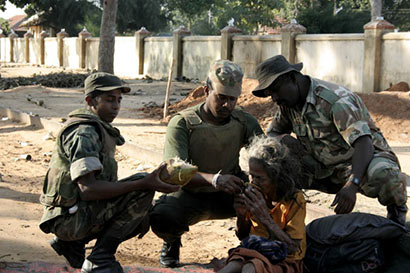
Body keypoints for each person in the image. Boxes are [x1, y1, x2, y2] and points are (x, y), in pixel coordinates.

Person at [39, 72, 180, 273]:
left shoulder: (98, 128)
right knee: (141, 189)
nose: (116, 106)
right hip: (67, 220)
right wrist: (144, 184)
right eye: (109, 100)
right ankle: (100, 258)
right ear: (90, 100)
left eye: (119, 100)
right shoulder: (84, 133)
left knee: (142, 214)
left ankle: (71, 245)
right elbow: (88, 189)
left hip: (76, 213)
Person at [252, 54, 408, 225]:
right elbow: (272, 134)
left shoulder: (335, 100)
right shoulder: (288, 103)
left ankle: (396, 214)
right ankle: (283, 220)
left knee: (385, 175)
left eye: (275, 90)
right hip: (322, 168)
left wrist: (352, 185)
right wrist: (283, 141)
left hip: (358, 165)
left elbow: (364, 144)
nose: (274, 98)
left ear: (291, 77)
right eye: (269, 94)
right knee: (272, 160)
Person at [149, 60, 264, 267]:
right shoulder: (183, 123)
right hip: (191, 193)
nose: (227, 105)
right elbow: (172, 172)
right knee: (162, 214)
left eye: (233, 99)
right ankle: (172, 240)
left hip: (230, 193)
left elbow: (265, 159)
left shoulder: (244, 122)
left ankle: (253, 245)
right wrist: (215, 180)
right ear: (206, 90)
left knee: (266, 201)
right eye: (221, 98)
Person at [218, 135, 306, 273]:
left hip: (284, 259)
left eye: (260, 178)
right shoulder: (255, 195)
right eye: (251, 175)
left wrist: (265, 217)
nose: (253, 182)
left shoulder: (295, 199)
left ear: (276, 177)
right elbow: (243, 236)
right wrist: (241, 215)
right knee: (234, 264)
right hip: (256, 250)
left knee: (251, 267)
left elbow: (293, 247)